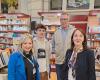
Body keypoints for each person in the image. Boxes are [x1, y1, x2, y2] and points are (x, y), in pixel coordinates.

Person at [52, 12, 75, 80]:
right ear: (60, 20)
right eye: (62, 19)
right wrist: (54, 54)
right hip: (59, 61)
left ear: (69, 20)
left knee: (70, 78)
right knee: (60, 78)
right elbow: (53, 45)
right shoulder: (56, 32)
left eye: (65, 19)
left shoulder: (74, 31)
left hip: (71, 61)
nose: (63, 21)